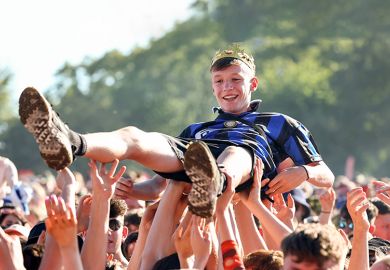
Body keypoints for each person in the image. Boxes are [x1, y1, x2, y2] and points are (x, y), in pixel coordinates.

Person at [19, 43, 333, 218]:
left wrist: (303, 174)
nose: (227, 88)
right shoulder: (197, 129)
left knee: (236, 152)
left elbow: (325, 174)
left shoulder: (278, 121)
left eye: (235, 80)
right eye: (220, 82)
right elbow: (160, 185)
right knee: (135, 136)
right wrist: (134, 192)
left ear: (252, 84)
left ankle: (214, 183)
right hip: (200, 162)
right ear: (213, 88)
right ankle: (71, 141)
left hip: (245, 176)